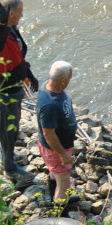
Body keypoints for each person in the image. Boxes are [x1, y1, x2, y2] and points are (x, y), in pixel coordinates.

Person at [0, 0, 39, 184]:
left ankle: (8, 156)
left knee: (10, 128)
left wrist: (28, 74)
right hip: (5, 91)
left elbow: (18, 55)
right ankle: (9, 168)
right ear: (11, 13)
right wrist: (1, 23)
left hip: (14, 86)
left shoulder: (12, 29)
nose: (22, 16)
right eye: (20, 13)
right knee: (9, 130)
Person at [36, 61, 77, 204]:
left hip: (58, 144)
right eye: (69, 79)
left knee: (55, 173)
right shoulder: (50, 105)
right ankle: (60, 213)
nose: (70, 81)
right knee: (64, 181)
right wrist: (63, 154)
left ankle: (52, 186)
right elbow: (49, 134)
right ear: (63, 80)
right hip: (56, 149)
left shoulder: (48, 85)